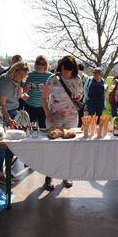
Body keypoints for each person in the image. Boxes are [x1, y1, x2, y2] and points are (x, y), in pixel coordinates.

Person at [41, 55, 83, 191]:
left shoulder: (77, 79)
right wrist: (47, 114)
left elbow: (79, 94)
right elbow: (44, 98)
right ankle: (49, 176)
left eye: (69, 71)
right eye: (64, 70)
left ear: (73, 70)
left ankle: (67, 175)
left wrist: (78, 96)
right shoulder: (53, 79)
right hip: (55, 116)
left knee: (69, 147)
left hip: (71, 116)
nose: (66, 73)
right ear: (60, 68)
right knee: (53, 148)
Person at [0, 61, 30, 183]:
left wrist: (22, 95)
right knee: (1, 142)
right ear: (14, 71)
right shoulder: (5, 82)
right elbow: (2, 105)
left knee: (12, 142)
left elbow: (14, 96)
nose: (21, 78)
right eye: (20, 75)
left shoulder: (16, 81)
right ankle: (0, 173)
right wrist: (9, 119)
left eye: (24, 76)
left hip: (12, 110)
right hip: (0, 113)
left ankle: (7, 170)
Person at [24, 55, 52, 129]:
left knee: (44, 128)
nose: (40, 65)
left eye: (43, 64)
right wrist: (27, 89)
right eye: (38, 63)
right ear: (36, 64)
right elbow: (22, 91)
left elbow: (55, 91)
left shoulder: (51, 76)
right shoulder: (29, 75)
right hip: (30, 105)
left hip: (44, 107)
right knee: (28, 128)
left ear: (46, 65)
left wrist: (46, 90)